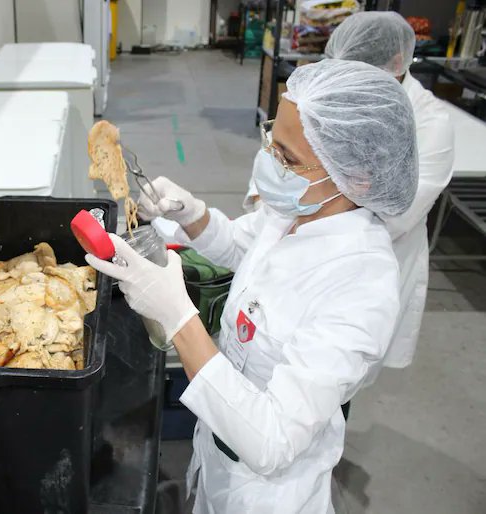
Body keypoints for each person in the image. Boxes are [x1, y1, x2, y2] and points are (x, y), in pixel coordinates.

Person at [86, 59, 418, 513]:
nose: (269, 163)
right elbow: (243, 246)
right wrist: (190, 213)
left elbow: (272, 438)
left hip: (267, 493)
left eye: (288, 158)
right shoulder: (298, 210)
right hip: (217, 447)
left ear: (356, 177)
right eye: (271, 142)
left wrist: (176, 318)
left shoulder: (361, 285)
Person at [246, 11, 455, 374]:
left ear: (397, 64)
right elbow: (288, 145)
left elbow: (397, 211)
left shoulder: (430, 123)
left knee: (330, 374)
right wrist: (278, 192)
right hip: (306, 232)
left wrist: (303, 211)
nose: (347, 86)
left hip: (355, 263)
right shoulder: (331, 96)